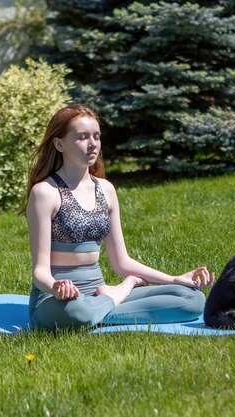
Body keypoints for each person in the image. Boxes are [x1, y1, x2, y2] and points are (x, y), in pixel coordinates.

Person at [23, 104, 214, 330]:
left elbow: (121, 262)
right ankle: (117, 295)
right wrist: (55, 286)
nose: (92, 143)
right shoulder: (45, 192)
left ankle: (103, 306)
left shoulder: (106, 189)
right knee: (79, 313)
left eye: (96, 136)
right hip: (57, 300)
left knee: (192, 299)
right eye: (82, 137)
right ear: (59, 144)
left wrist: (174, 279)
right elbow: (40, 272)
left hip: (96, 291)